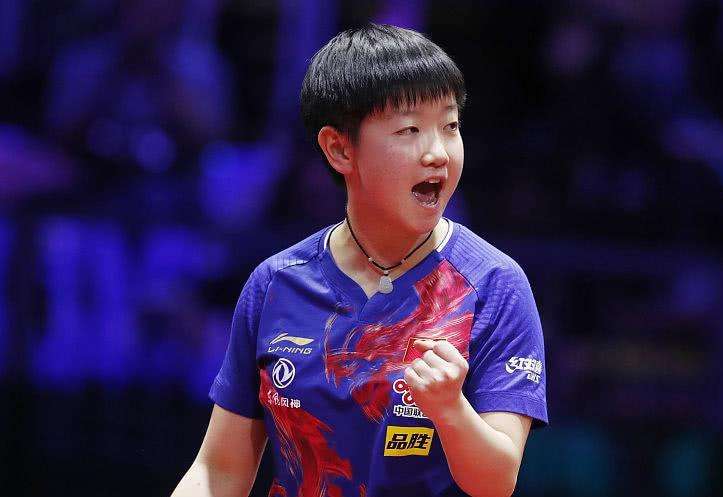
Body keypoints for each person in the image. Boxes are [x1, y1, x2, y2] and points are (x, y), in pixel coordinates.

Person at [172, 24, 548, 497]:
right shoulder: (276, 284)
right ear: (339, 149)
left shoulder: (493, 284)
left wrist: (450, 409)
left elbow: (496, 482)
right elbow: (219, 471)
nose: (438, 153)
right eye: (410, 130)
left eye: (450, 126)